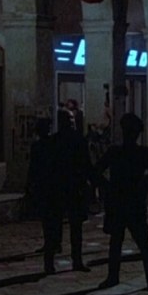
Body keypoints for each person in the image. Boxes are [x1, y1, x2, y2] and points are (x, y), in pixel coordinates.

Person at [93, 113, 148, 290]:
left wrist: (107, 186)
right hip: (129, 201)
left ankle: (120, 276)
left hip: (125, 201)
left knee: (126, 241)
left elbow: (96, 171)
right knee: (132, 241)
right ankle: (146, 277)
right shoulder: (138, 153)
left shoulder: (120, 152)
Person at [39, 108, 93, 274]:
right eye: (69, 120)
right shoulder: (68, 141)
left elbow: (87, 165)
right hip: (63, 188)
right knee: (59, 227)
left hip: (68, 188)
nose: (72, 123)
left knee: (71, 227)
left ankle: (71, 261)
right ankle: (54, 262)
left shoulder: (62, 141)